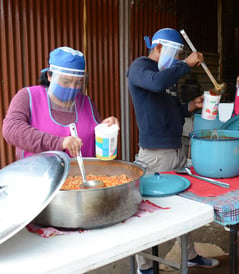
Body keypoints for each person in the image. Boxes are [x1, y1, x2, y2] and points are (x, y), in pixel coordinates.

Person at [127, 28, 219, 274]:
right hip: (155, 156)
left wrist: (191, 105)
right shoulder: (141, 67)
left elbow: (172, 112)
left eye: (180, 56)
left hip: (176, 150)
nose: (178, 60)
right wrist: (186, 64)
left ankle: (189, 255)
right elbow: (155, 84)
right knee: (149, 213)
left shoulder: (167, 76)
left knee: (184, 208)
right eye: (175, 54)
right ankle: (144, 266)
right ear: (158, 48)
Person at [2, 46, 118, 159]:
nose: (72, 87)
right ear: (49, 76)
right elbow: (11, 129)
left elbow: (95, 140)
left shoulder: (87, 103)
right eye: (66, 81)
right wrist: (59, 143)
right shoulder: (28, 97)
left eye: (78, 83)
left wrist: (106, 128)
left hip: (82, 176)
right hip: (39, 175)